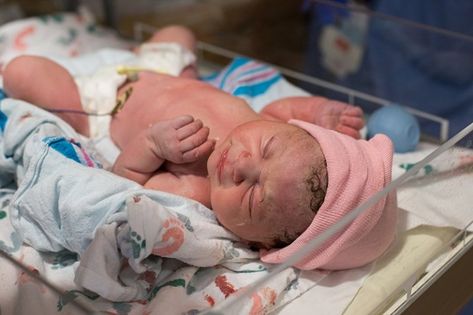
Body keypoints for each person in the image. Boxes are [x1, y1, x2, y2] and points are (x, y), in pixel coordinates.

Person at [3, 25, 397, 270]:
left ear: (258, 243)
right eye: (268, 147)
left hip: (99, 104)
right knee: (178, 32)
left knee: (22, 71)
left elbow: (125, 179)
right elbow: (284, 108)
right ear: (291, 129)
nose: (243, 165)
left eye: (252, 197)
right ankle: (153, 53)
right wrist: (323, 111)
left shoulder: (196, 190)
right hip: (164, 71)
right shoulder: (267, 120)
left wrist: (152, 144)